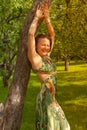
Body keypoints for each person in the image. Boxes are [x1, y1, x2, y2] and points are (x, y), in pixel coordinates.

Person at [27, 4, 70, 130]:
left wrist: (47, 19)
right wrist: (36, 18)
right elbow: (30, 35)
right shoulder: (36, 59)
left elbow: (52, 35)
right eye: (42, 45)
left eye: (47, 45)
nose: (46, 47)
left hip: (53, 101)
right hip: (45, 102)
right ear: (36, 46)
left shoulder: (47, 57)